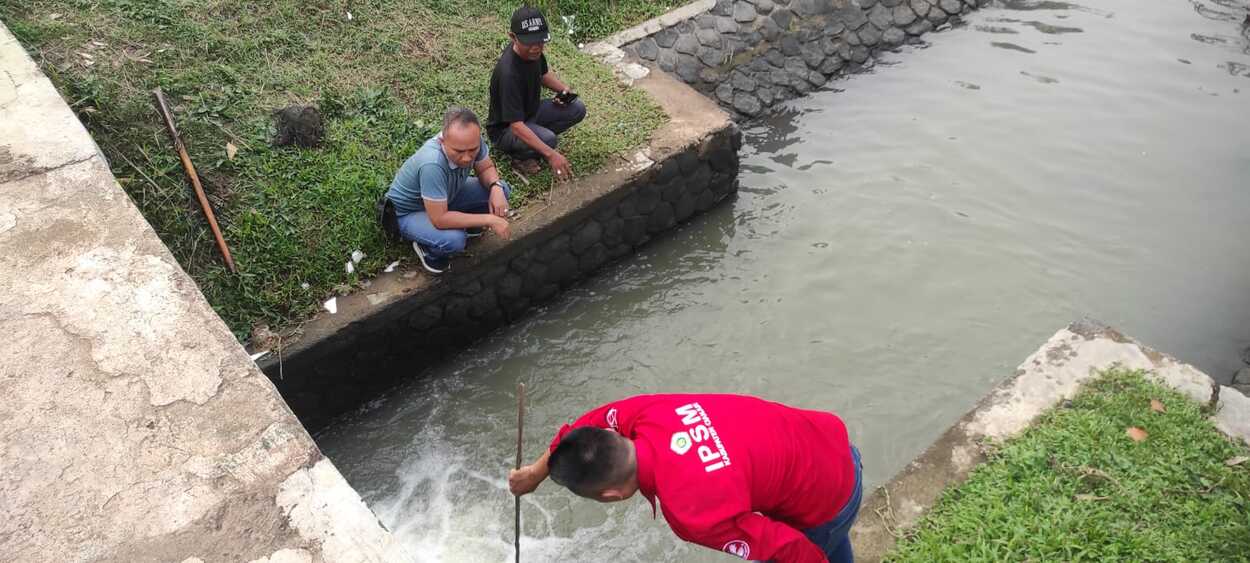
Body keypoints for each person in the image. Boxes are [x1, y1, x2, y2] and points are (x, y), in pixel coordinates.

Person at [509, 394, 864, 563]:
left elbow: (786, 548)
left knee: (819, 548)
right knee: (832, 544)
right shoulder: (649, 412)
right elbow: (587, 424)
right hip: (832, 443)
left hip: (829, 500)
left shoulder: (689, 512)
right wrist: (535, 474)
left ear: (613, 495)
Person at [383, 106, 512, 274]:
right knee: (455, 240)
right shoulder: (432, 164)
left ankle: (469, 226)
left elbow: (486, 168)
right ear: (442, 141)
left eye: (472, 150)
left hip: (444, 197)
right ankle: (428, 248)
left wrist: (495, 187)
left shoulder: (473, 141)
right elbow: (440, 219)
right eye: (458, 151)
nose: (466, 158)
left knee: (502, 190)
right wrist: (489, 219)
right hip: (409, 212)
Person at [486, 5, 588, 180]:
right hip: (506, 130)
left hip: (530, 112)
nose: (536, 47)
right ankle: (520, 157)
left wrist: (563, 90)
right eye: (529, 42)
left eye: (540, 41)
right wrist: (551, 155)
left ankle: (536, 139)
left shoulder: (533, 53)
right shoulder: (508, 73)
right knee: (549, 141)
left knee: (577, 108)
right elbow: (516, 127)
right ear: (512, 37)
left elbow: (543, 74)